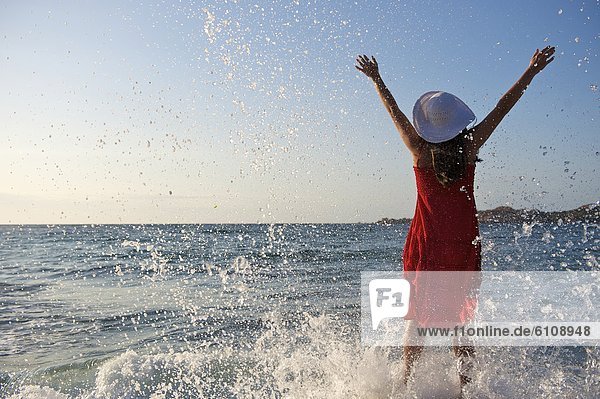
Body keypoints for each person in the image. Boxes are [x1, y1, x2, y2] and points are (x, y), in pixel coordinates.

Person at [356, 46, 555, 394]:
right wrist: (531, 71)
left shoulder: (419, 152)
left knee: (416, 318)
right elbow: (501, 108)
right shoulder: (470, 148)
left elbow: (394, 111)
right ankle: (464, 390)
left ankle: (405, 382)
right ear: (457, 123)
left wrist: (377, 80)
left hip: (426, 245)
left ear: (428, 126)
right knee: (462, 321)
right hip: (462, 244)